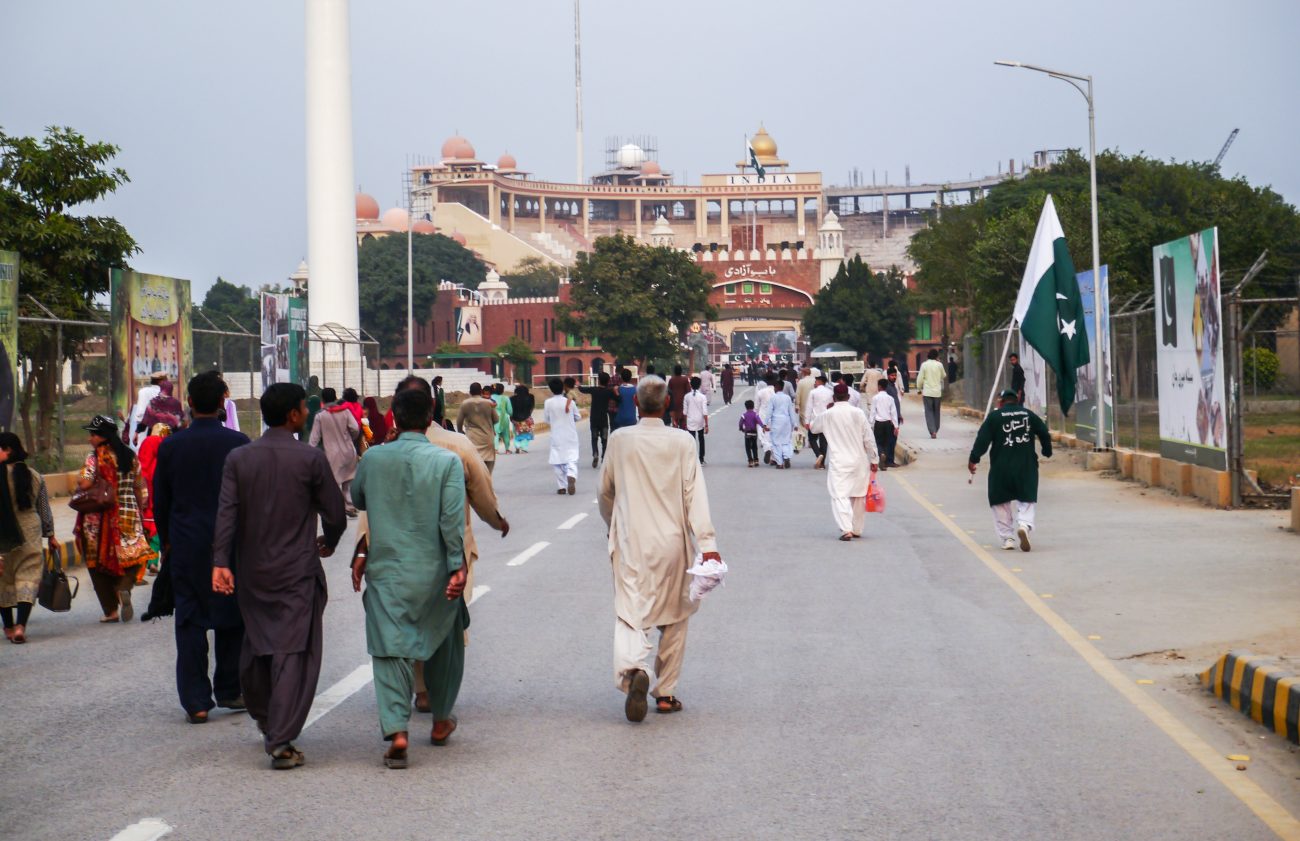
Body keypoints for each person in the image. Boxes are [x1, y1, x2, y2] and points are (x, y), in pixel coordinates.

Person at [212, 383, 347, 770]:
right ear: (293, 414)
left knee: (258, 641)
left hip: (251, 570)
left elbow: (227, 513)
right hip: (297, 570)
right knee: (293, 650)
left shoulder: (239, 458)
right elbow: (335, 514)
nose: (306, 413)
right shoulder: (309, 459)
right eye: (304, 408)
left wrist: (221, 561)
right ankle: (281, 738)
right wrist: (331, 540)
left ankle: (266, 715)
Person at [379, 376, 508, 724]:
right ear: (432, 406)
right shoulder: (456, 445)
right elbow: (481, 490)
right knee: (445, 626)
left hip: (397, 552)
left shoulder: (383, 450)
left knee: (406, 619)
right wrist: (496, 520)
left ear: (396, 407)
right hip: (452, 551)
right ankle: (435, 700)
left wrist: (363, 549)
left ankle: (414, 691)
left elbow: (368, 506)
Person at [351, 388, 466, 769]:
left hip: (388, 571)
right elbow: (451, 520)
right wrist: (457, 567)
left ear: (394, 418)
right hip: (433, 570)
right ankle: (440, 720)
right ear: (431, 415)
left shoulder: (374, 458)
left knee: (389, 648)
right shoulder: (446, 461)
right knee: (445, 640)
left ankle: (397, 730)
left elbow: (359, 498)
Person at [598, 375, 721, 721]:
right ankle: (665, 693)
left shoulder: (620, 440)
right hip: (672, 542)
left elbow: (605, 491)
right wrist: (708, 544)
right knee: (676, 615)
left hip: (630, 541)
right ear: (668, 404)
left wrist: (613, 525)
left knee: (630, 612)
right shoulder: (682, 441)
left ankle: (634, 669)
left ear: (635, 404)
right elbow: (694, 494)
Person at [153, 372, 251, 723]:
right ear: (223, 403)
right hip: (229, 546)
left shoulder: (171, 446)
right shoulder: (239, 443)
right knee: (231, 618)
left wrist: (166, 541)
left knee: (190, 619)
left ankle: (196, 700)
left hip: (186, 543)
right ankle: (228, 688)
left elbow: (160, 500)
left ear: (190, 403)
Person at [75, 416, 157, 622]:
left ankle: (110, 610)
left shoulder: (95, 458)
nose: (89, 439)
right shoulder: (130, 456)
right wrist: (141, 508)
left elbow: (84, 484)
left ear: (103, 436)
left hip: (98, 519)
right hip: (128, 514)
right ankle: (124, 587)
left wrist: (81, 478)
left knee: (97, 563)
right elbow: (140, 486)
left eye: (92, 434)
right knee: (134, 557)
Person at [968, 389, 1052, 552]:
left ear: (1000, 402)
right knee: (1027, 499)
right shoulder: (1028, 415)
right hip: (1026, 467)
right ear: (1017, 400)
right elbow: (1043, 431)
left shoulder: (994, 417)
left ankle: (1007, 538)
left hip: (1001, 468)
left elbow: (982, 440)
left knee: (1000, 501)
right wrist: (1046, 451)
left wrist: (974, 459)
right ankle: (1024, 525)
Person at [0, 433, 56, 644]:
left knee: (3, 580)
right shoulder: (34, 475)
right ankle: (21, 625)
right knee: (28, 577)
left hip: (4, 534)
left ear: (7, 450)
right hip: (30, 531)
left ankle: (7, 626)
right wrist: (50, 535)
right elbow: (44, 509)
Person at [811, 384, 879, 541]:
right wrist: (874, 458)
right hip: (859, 461)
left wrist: (826, 410)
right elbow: (869, 437)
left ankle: (846, 529)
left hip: (839, 462)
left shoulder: (827, 414)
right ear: (848, 397)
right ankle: (856, 529)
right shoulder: (858, 413)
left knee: (840, 495)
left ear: (833, 398)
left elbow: (814, 428)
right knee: (858, 496)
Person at [308, 388, 360, 516]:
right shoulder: (346, 411)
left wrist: (310, 453)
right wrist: (350, 439)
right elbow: (355, 428)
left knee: (334, 482)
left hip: (332, 454)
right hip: (349, 451)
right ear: (335, 398)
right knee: (348, 480)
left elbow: (314, 439)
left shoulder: (320, 416)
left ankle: (337, 507)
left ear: (323, 400)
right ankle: (349, 506)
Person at [137, 422, 172, 574]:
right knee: (156, 528)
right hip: (157, 488)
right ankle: (153, 561)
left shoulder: (146, 442)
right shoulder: (162, 444)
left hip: (143, 487)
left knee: (145, 527)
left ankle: (143, 566)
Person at [543, 378, 581, 495]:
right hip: (570, 435)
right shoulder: (570, 402)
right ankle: (571, 475)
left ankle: (561, 487)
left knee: (557, 461)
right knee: (571, 459)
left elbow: (547, 419)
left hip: (556, 435)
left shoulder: (548, 403)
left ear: (551, 389)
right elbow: (578, 417)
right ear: (562, 388)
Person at [578, 372, 619, 468]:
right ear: (608, 381)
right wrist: (615, 391)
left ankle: (595, 454)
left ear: (598, 380)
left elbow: (583, 389)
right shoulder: (609, 391)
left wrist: (578, 385)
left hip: (594, 419)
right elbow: (619, 399)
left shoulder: (594, 389)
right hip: (604, 419)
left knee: (594, 438)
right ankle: (604, 457)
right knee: (604, 440)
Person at [455, 383, 498, 473]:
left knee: (473, 461)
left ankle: (475, 482)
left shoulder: (465, 404)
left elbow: (459, 422)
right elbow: (496, 419)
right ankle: (486, 480)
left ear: (470, 392)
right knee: (488, 460)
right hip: (487, 437)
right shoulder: (489, 403)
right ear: (481, 391)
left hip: (472, 438)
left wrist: (460, 431)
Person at [762, 374, 799, 469]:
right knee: (786, 441)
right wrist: (794, 424)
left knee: (776, 442)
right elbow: (791, 412)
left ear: (777, 387)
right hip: (786, 422)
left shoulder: (773, 398)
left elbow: (769, 412)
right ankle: (786, 457)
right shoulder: (787, 398)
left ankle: (780, 463)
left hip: (776, 422)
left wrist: (765, 424)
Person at [127, 371, 166, 450]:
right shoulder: (165, 394)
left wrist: (137, 431)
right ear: (161, 381)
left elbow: (140, 413)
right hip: (161, 430)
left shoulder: (143, 392)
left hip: (144, 428)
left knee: (144, 452)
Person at [868, 380, 900, 471]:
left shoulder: (875, 398)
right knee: (886, 442)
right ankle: (884, 462)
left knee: (878, 442)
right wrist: (896, 426)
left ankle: (881, 453)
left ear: (879, 387)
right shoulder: (890, 398)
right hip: (888, 423)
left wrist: (870, 424)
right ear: (886, 387)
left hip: (878, 423)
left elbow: (873, 412)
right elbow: (894, 413)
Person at [803, 375, 833, 469]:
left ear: (820, 381)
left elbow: (809, 407)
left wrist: (806, 421)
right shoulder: (830, 392)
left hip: (815, 419)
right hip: (826, 419)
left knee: (812, 439)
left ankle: (818, 454)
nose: (815, 383)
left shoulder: (813, 392)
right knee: (824, 441)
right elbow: (832, 406)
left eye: (816, 381)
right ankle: (822, 464)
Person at [917, 349, 948, 439]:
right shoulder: (939, 365)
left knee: (929, 411)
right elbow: (944, 375)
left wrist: (919, 388)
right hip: (937, 393)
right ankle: (936, 429)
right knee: (936, 412)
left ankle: (932, 431)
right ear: (937, 356)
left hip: (927, 392)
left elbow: (920, 378)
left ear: (928, 356)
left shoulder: (924, 365)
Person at [682, 376, 709, 465]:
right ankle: (701, 458)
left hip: (690, 421)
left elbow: (685, 412)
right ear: (699, 385)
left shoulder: (687, 396)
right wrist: (706, 425)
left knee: (691, 440)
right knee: (701, 439)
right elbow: (705, 412)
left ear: (691, 385)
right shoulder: (702, 397)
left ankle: (692, 458)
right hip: (700, 420)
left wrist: (685, 423)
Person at [754, 374, 774, 464]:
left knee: (762, 435)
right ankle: (774, 458)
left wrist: (755, 417)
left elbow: (756, 408)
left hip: (762, 416)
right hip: (773, 416)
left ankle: (767, 449)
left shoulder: (760, 392)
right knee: (773, 436)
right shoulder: (775, 391)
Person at [510, 384, 535, 453]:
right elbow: (532, 407)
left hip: (515, 419)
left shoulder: (512, 398)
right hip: (527, 418)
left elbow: (510, 410)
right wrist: (529, 415)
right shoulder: (531, 397)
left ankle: (517, 445)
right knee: (526, 434)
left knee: (517, 433)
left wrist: (511, 418)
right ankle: (524, 447)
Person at [491, 382, 513, 455]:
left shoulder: (490, 398)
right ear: (502, 390)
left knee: (495, 434)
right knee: (506, 434)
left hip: (493, 418)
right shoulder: (505, 398)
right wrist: (511, 414)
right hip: (504, 419)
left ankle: (495, 450)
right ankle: (507, 449)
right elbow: (510, 411)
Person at [738, 399, 761, 467]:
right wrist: (764, 427)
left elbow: (740, 423)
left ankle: (750, 461)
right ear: (753, 406)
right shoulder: (755, 414)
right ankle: (756, 460)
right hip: (754, 432)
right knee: (754, 447)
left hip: (747, 432)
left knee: (748, 447)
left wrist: (741, 429)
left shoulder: (744, 415)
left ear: (746, 407)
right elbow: (759, 421)